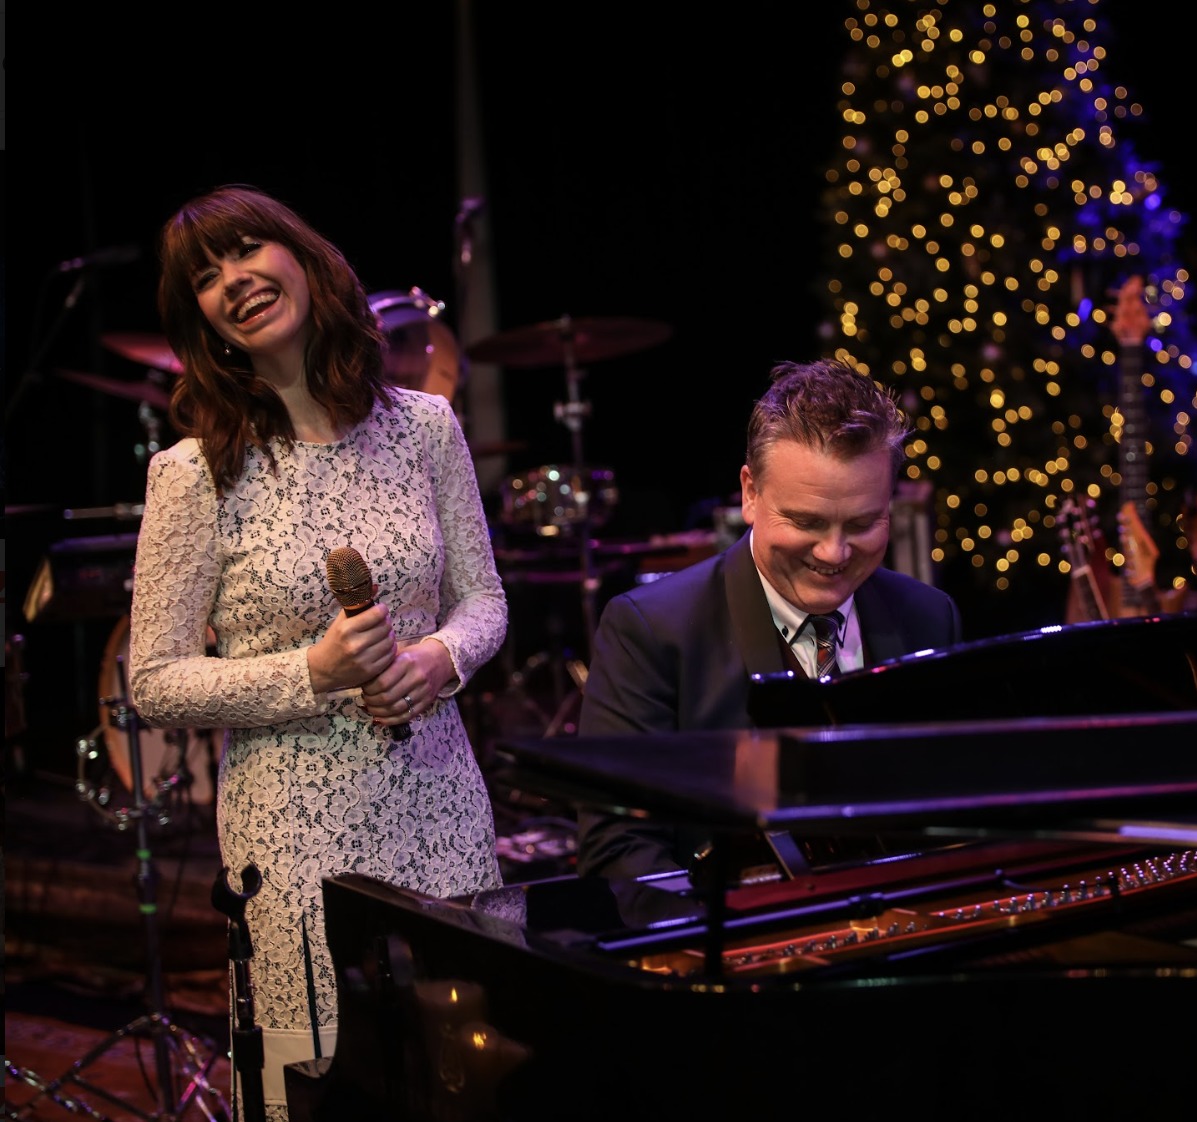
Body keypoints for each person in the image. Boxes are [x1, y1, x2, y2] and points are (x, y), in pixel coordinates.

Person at [127, 185, 507, 1121]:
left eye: (246, 250)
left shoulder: (424, 427)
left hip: (441, 808)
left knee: (462, 1080)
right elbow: (154, 682)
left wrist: (438, 661)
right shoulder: (193, 474)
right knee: (329, 1092)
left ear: (302, 257)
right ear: (201, 321)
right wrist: (313, 674)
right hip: (296, 840)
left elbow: (484, 601)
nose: (233, 281)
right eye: (205, 278)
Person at [574, 356, 963, 885]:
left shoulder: (930, 617)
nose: (834, 553)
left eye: (863, 523)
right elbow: (618, 851)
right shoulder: (649, 630)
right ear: (750, 493)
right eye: (806, 522)